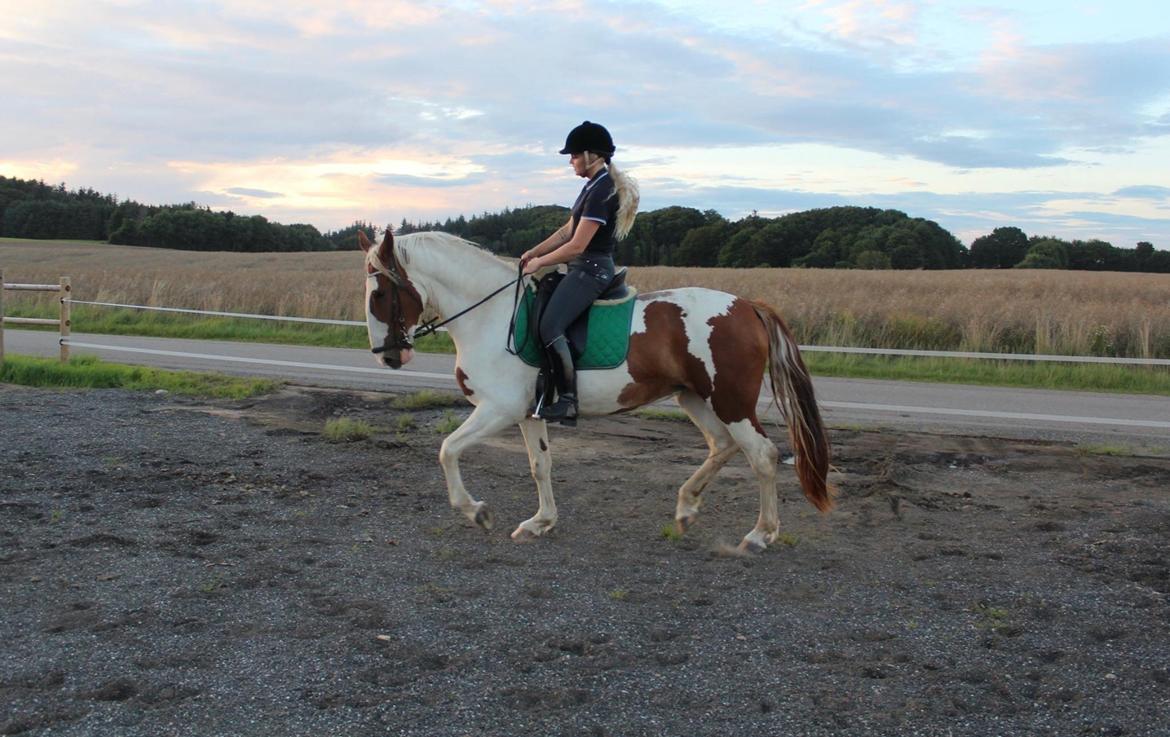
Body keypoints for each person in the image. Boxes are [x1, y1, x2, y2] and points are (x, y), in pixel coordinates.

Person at [520, 121, 639, 425]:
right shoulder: (591, 187)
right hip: (581, 267)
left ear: (591, 155)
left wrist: (540, 263)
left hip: (591, 269)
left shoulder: (602, 190)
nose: (570, 161)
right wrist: (534, 251)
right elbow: (566, 231)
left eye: (573, 155)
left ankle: (568, 401)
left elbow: (577, 245)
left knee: (551, 327)